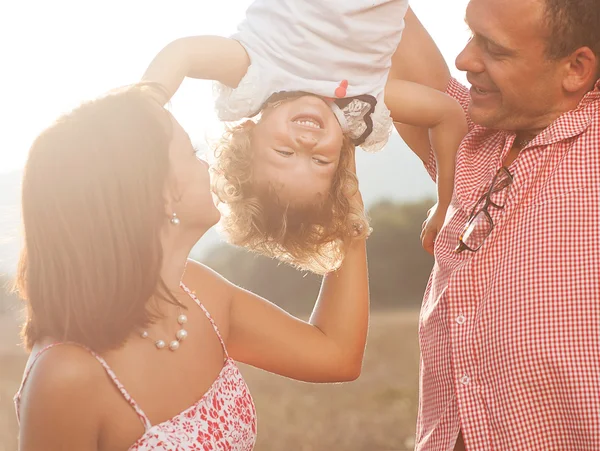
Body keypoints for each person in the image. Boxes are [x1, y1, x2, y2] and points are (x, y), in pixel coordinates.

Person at [13, 84, 369, 451]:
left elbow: (336, 355)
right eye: (190, 152)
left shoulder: (197, 293)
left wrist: (346, 203)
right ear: (161, 193)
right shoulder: (66, 376)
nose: (206, 164)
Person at [394, 3, 600, 450]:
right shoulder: (470, 136)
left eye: (495, 49)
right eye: (470, 35)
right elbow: (386, 33)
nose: (465, 59)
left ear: (576, 68)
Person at [142, 0, 467, 273]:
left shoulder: (256, 76)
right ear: (342, 157)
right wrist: (445, 202)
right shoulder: (363, 104)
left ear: (248, 134)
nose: (305, 145)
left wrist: (144, 103)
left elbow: (183, 53)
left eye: (284, 152)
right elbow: (448, 114)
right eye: (319, 160)